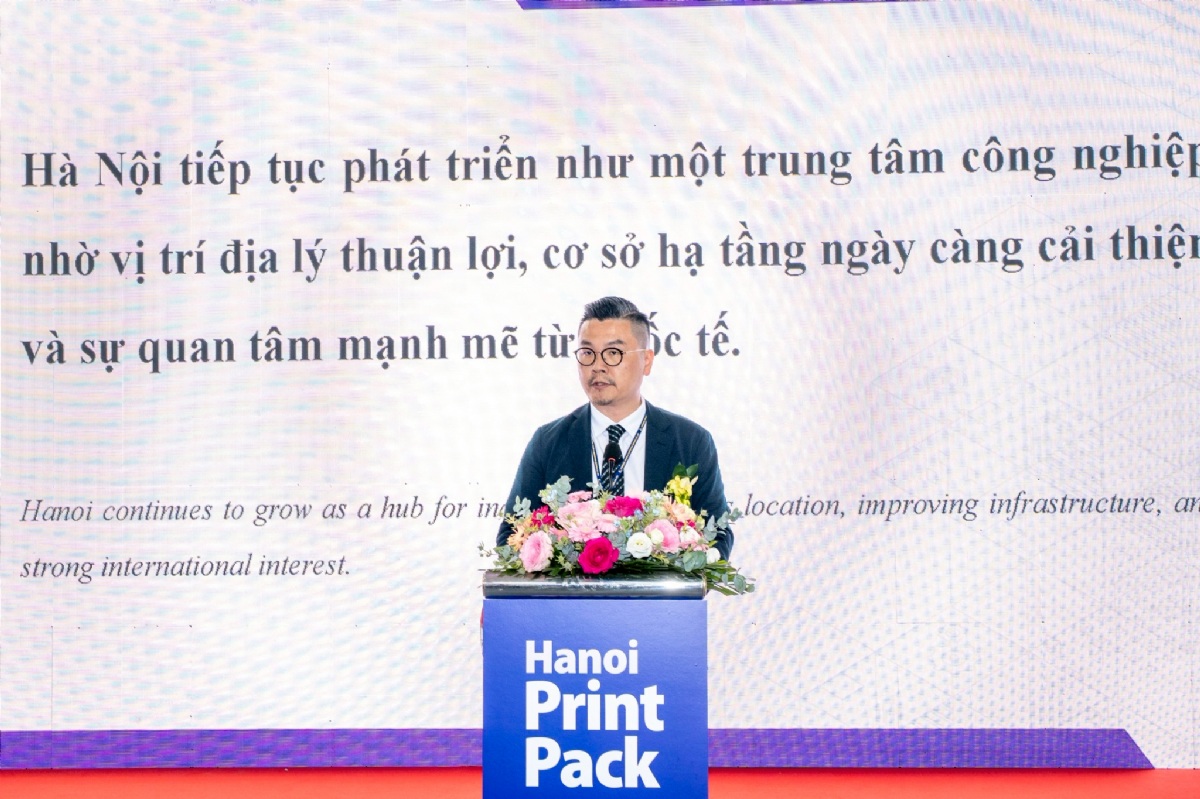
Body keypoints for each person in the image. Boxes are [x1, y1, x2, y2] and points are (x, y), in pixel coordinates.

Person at [497, 296, 734, 560]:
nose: (597, 366)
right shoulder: (548, 442)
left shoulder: (690, 441)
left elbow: (718, 534)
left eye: (613, 353)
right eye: (587, 353)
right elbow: (511, 536)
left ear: (646, 361)